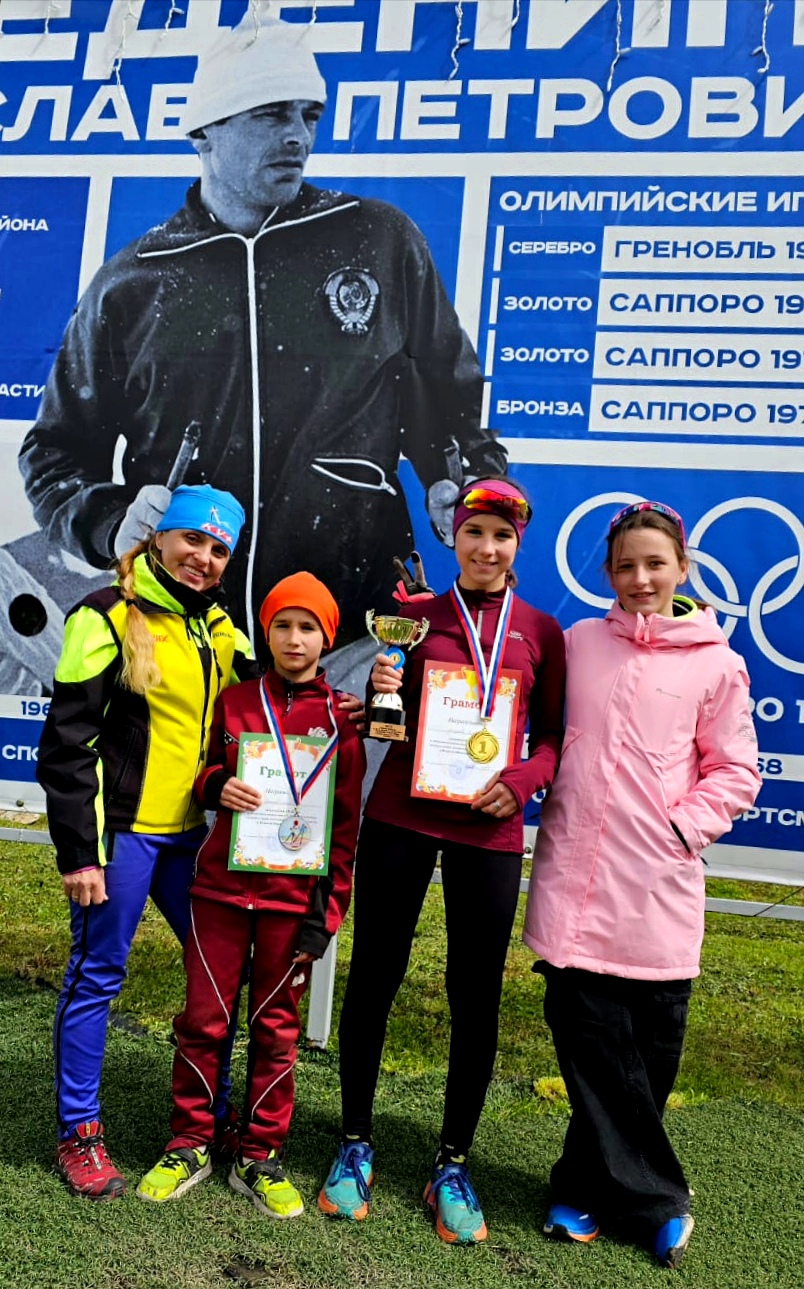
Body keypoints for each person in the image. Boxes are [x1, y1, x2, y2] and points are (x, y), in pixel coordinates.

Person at [18, 13, 506, 661]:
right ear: (204, 131)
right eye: (272, 114)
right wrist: (112, 525)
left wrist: (465, 489)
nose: (298, 135)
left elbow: (451, 408)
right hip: (183, 638)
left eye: (310, 115)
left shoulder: (379, 240)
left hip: (351, 634)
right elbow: (54, 453)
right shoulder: (134, 281)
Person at [318, 477, 567, 1244]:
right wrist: (378, 696)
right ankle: (354, 1141)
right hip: (401, 814)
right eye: (474, 532)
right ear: (453, 538)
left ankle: (452, 1162)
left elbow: (554, 737)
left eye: (501, 535)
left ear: (517, 544)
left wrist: (522, 781)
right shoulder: (414, 616)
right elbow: (385, 724)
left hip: (488, 829)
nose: (487, 547)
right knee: (375, 975)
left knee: (475, 994)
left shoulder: (541, 631)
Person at [522, 500, 762, 1269]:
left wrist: (678, 829)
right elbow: (531, 716)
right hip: (576, 890)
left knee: (645, 1061)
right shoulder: (579, 644)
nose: (640, 578)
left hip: (659, 889)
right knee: (592, 1049)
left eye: (655, 563)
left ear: (682, 566)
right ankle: (659, 1201)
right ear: (608, 572)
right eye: (626, 565)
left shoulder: (717, 663)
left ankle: (581, 1188)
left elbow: (736, 770)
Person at [37, 483, 253, 1199]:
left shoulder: (219, 626)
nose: (203, 557)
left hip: (190, 842)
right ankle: (79, 1131)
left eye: (218, 549)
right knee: (97, 975)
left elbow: (274, 696)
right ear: (159, 536)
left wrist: (340, 705)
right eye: (192, 538)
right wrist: (80, 854)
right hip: (122, 840)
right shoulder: (103, 614)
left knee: (217, 975)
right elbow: (67, 745)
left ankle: (210, 1115)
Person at [136, 572, 365, 1218]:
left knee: (276, 1030)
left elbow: (344, 832)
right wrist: (216, 786)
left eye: (308, 627)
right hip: (219, 895)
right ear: (265, 633)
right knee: (203, 1021)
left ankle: (259, 1154)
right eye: (282, 625)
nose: (294, 638)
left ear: (327, 637)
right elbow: (202, 768)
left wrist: (326, 918)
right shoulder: (234, 701)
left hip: (292, 906)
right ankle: (190, 1142)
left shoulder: (341, 721)